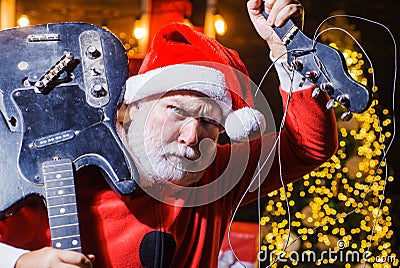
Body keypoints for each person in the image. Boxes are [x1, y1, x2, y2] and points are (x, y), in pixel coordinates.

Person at [0, 0, 338, 267]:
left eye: (211, 123)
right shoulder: (68, 166)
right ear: (134, 107)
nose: (192, 136)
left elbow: (306, 145)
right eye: (177, 110)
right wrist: (20, 261)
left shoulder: (215, 174)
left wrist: (288, 50)